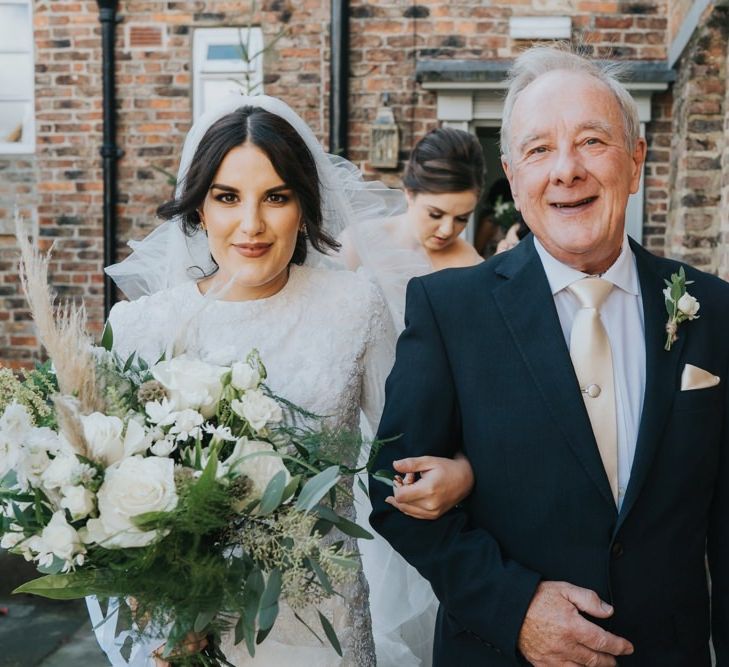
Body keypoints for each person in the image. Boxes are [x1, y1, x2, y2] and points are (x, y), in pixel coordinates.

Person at [370, 44, 729, 666]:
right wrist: (516, 608)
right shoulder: (448, 308)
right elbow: (392, 491)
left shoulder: (715, 311)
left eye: (592, 141)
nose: (566, 170)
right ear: (512, 175)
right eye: (539, 150)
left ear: (637, 160)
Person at [87, 96, 472, 667]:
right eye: (227, 198)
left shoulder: (353, 307)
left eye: (276, 196)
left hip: (325, 625)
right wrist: (152, 616)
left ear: (304, 204)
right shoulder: (142, 326)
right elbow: (102, 505)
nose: (251, 224)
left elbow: (410, 448)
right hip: (192, 633)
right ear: (199, 211)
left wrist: (461, 471)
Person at [340, 126, 484, 332]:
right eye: (435, 214)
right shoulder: (358, 242)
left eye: (462, 218)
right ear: (409, 193)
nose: (446, 230)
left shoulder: (471, 266)